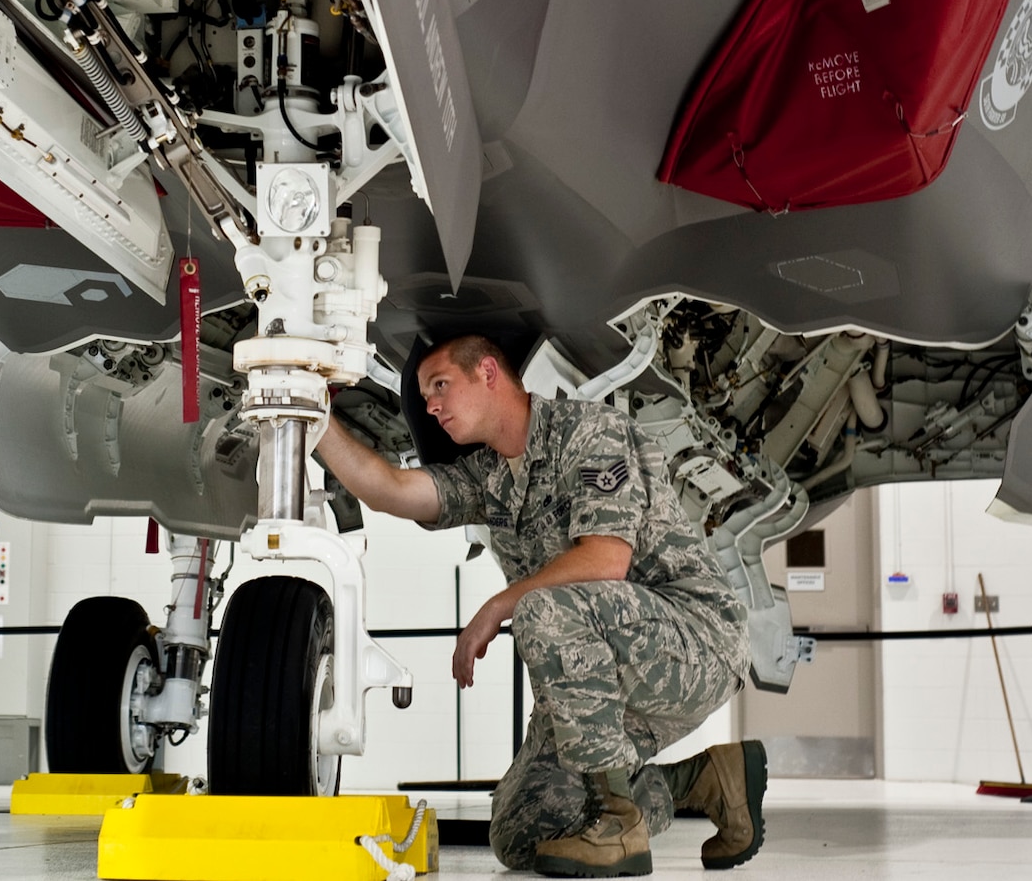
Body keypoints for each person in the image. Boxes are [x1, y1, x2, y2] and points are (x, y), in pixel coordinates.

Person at [315, 334, 768, 876]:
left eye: (441, 386)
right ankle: (706, 782)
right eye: (426, 394)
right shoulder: (490, 475)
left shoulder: (590, 433)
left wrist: (496, 605)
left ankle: (618, 823)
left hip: (695, 644)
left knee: (541, 608)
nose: (431, 406)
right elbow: (388, 488)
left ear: (488, 373)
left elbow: (605, 561)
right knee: (523, 828)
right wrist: (314, 416)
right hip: (603, 673)